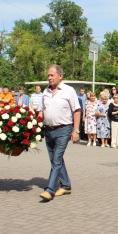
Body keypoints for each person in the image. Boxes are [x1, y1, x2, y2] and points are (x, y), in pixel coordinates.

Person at [38, 64, 80, 202]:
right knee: (55, 160)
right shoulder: (45, 92)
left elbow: (77, 111)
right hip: (48, 130)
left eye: (52, 75)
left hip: (64, 129)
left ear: (60, 76)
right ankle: (66, 185)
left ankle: (49, 190)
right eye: (48, 75)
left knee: (56, 160)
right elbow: (41, 110)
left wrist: (76, 130)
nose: (49, 78)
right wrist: (36, 125)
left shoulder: (69, 91)